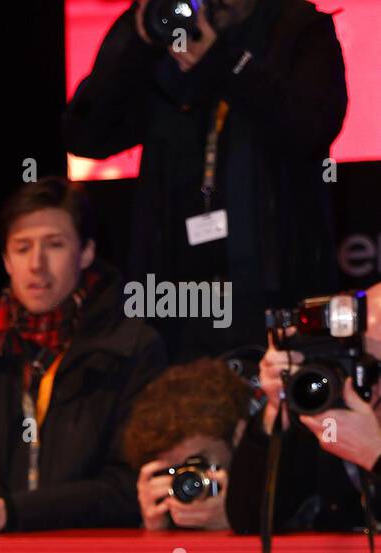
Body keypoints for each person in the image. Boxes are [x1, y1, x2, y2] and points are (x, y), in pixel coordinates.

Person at [63, 0, 347, 362]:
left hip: (269, 291)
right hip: (175, 300)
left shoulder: (295, 26)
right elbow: (85, 136)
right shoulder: (165, 35)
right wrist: (134, 35)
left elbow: (312, 126)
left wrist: (222, 61)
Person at [0, 177, 167, 535]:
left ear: (86, 252)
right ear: (7, 261)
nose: (37, 264)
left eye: (54, 245)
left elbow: (130, 487)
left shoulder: (132, 348)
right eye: (23, 248)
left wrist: (10, 512)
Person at [225, 282, 381, 533]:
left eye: (375, 367)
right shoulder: (326, 416)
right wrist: (277, 410)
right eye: (358, 359)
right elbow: (251, 520)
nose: (370, 381)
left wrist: (374, 455)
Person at [121, 357, 253, 530]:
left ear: (238, 436)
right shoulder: (166, 509)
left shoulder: (277, 497)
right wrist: (154, 529)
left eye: (199, 462)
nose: (191, 480)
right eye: (175, 471)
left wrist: (239, 521)